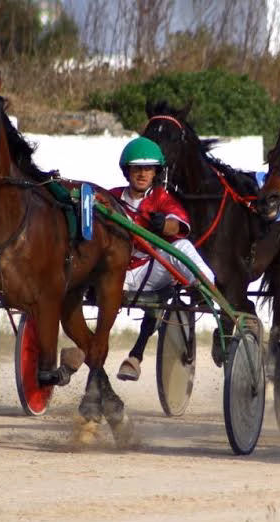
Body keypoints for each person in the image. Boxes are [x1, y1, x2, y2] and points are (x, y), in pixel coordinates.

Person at [108, 136, 216, 381]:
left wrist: (164, 225)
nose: (142, 174)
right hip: (116, 272)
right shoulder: (111, 197)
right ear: (127, 171)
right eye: (137, 168)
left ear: (156, 173)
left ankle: (205, 284)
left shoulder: (161, 198)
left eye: (148, 169)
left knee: (181, 247)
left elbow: (178, 225)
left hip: (150, 270)